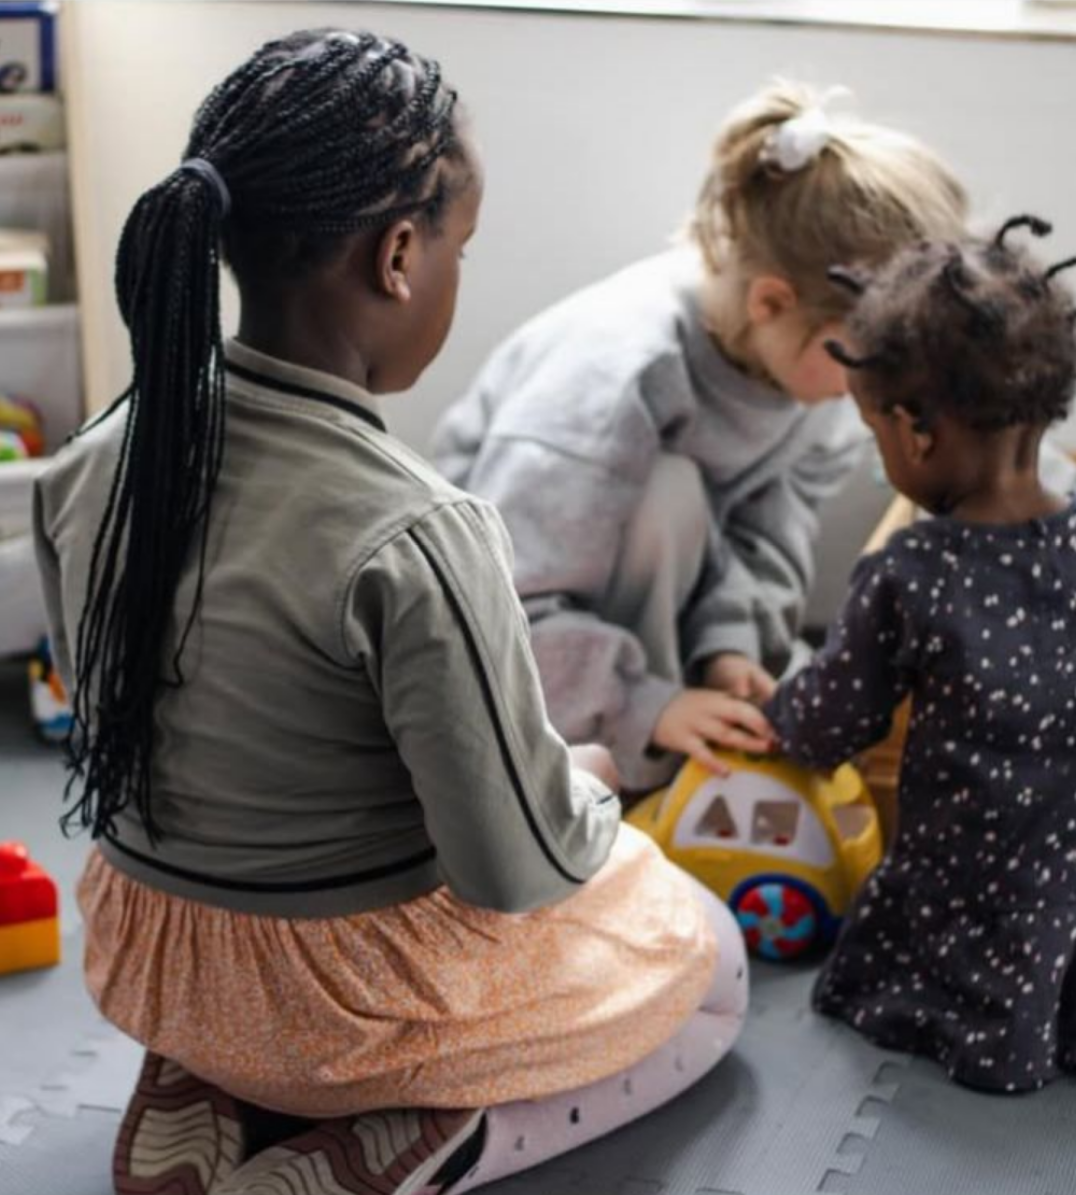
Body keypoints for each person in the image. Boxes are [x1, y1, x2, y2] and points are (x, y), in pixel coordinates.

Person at [33, 29, 762, 1195]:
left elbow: (113, 726)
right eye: (462, 248)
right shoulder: (416, 531)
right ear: (400, 255)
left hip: (149, 958)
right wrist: (576, 774)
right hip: (345, 1000)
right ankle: (418, 1138)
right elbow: (510, 869)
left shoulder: (88, 461)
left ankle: (204, 1081)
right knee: (706, 960)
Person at [432, 81, 970, 792]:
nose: (879, 393)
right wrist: (645, 705)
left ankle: (672, 723)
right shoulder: (617, 376)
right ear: (771, 302)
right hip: (508, 630)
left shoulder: (820, 373)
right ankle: (628, 769)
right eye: (869, 361)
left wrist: (728, 647)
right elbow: (494, 604)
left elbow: (767, 536)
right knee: (670, 493)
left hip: (636, 611)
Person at [765, 218, 1076, 1092]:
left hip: (966, 885)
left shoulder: (915, 569)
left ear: (916, 431)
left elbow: (833, 721)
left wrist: (773, 712)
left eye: (875, 436)